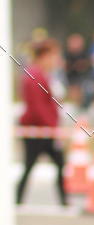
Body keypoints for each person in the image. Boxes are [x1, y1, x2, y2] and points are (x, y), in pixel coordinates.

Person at [16, 39, 67, 206]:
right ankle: (17, 200)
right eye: (53, 56)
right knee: (30, 165)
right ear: (44, 56)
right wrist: (53, 127)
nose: (55, 60)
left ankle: (63, 200)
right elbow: (38, 107)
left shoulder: (43, 75)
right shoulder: (34, 76)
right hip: (37, 129)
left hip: (44, 128)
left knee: (59, 163)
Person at [64, 33, 89, 108]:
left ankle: (79, 106)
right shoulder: (67, 54)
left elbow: (85, 65)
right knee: (72, 90)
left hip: (81, 76)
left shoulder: (84, 53)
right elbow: (65, 65)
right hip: (70, 76)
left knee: (79, 90)